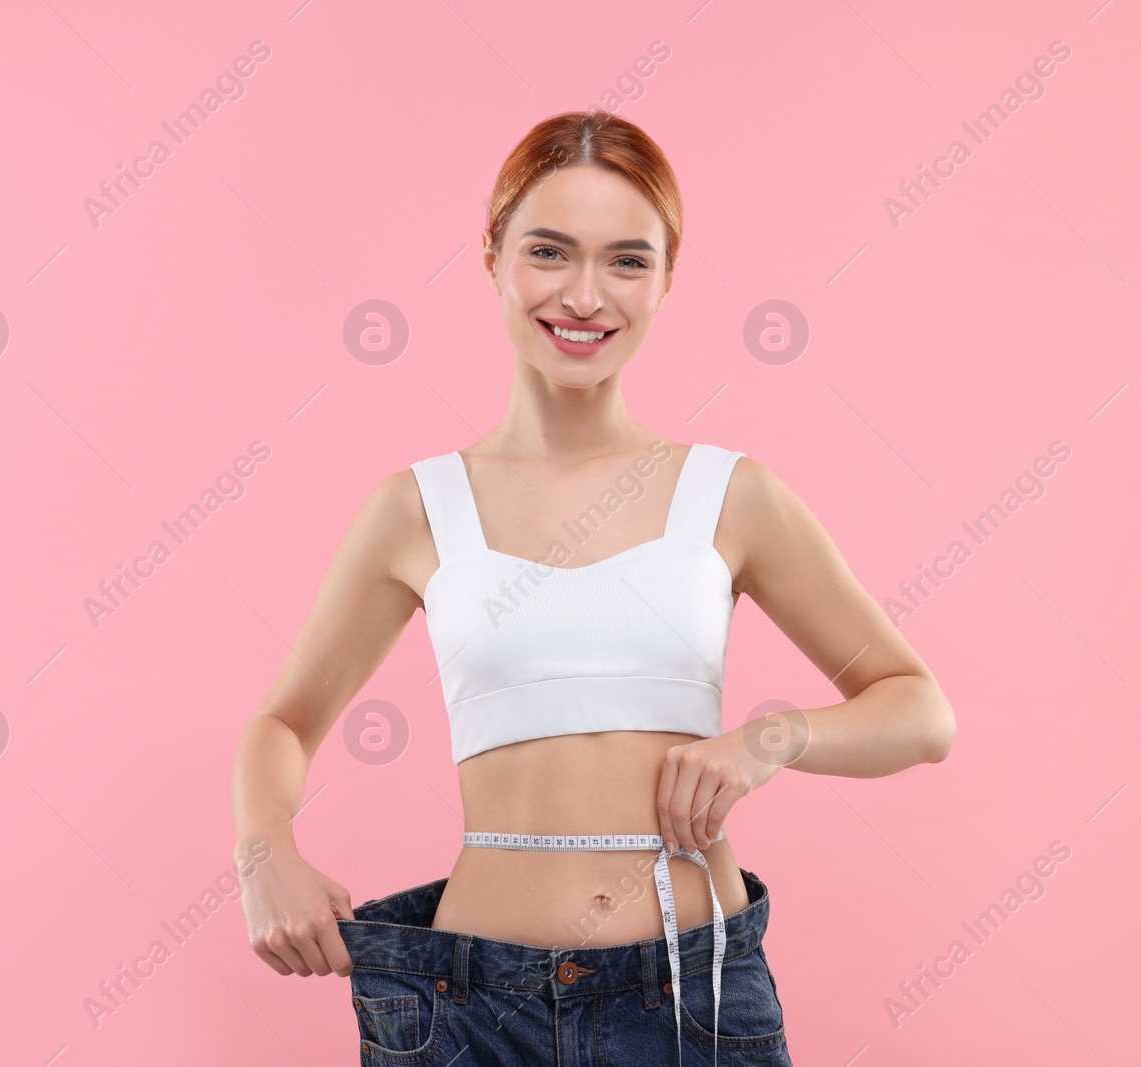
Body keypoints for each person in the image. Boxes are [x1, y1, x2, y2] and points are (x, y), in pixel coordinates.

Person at [231, 109, 955, 1066]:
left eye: (626, 260)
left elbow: (919, 711)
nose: (584, 295)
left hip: (691, 996)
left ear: (665, 278)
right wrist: (264, 853)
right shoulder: (417, 508)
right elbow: (283, 721)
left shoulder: (731, 495)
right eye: (548, 251)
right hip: (473, 1014)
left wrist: (769, 740)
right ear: (491, 255)